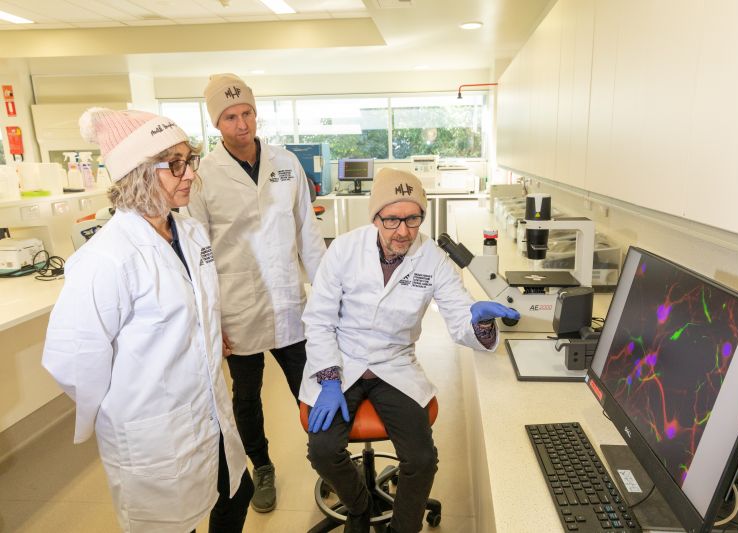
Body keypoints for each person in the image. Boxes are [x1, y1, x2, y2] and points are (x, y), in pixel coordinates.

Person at [42, 107, 253, 532]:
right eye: (173, 164)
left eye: (188, 160)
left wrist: (206, 338)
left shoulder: (189, 232)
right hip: (154, 431)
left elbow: (192, 309)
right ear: (137, 173)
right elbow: (72, 361)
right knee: (173, 524)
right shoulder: (106, 258)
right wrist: (126, 405)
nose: (189, 173)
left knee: (236, 491)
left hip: (208, 411)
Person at [300, 168, 520, 533]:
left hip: (394, 366)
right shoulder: (343, 250)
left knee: (421, 459)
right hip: (342, 362)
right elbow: (319, 319)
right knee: (323, 451)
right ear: (375, 218)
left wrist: (478, 321)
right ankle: (359, 505)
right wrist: (327, 380)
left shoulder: (431, 257)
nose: (403, 231)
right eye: (391, 220)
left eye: (412, 218)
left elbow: (458, 314)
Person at [187, 73, 326, 513]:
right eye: (230, 116)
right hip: (237, 309)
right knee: (246, 398)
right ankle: (261, 466)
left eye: (246, 112)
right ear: (217, 123)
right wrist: (210, 322)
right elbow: (198, 253)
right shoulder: (203, 176)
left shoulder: (286, 163)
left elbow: (309, 234)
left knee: (313, 387)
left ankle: (327, 459)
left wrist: (326, 299)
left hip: (290, 304)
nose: (241, 123)